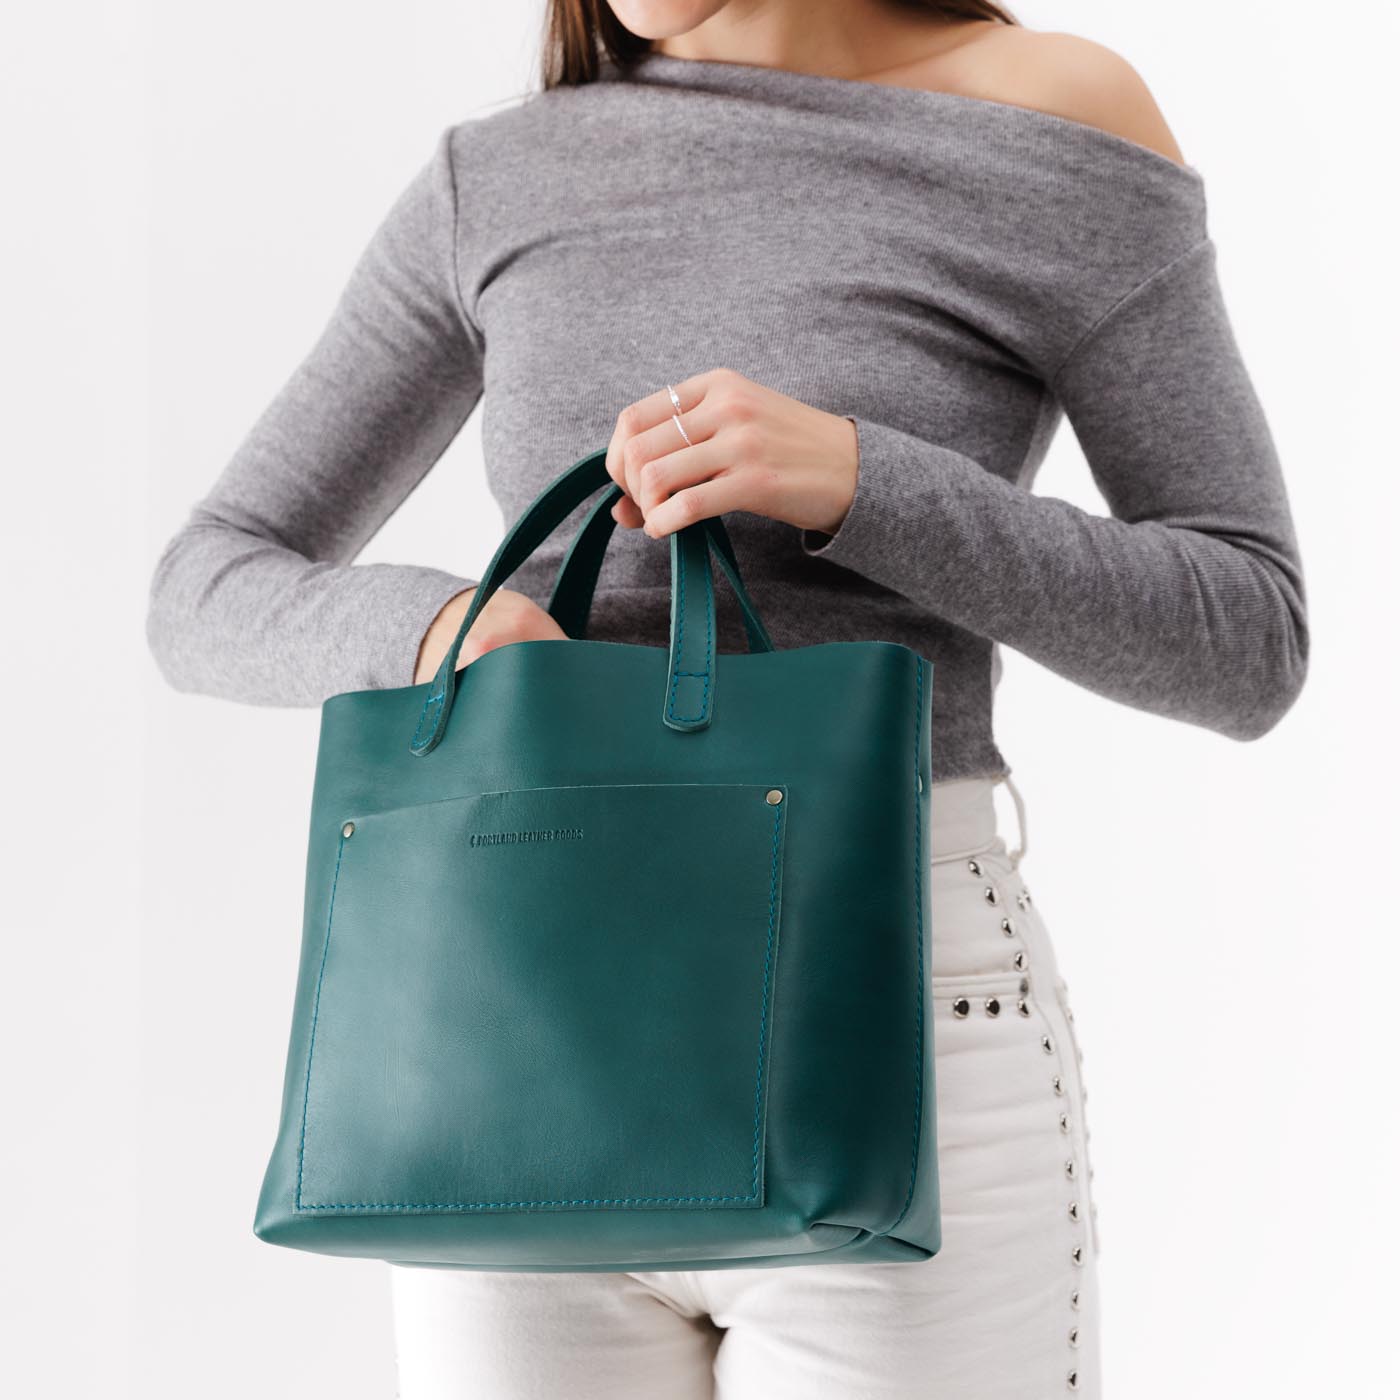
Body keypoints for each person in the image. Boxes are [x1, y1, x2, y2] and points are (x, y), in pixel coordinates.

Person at [145, 2, 1309, 1396]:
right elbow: (203, 587)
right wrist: (441, 629)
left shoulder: (1051, 121)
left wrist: (865, 482)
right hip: (516, 1015)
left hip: (903, 1019)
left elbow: (1248, 639)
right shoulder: (501, 178)